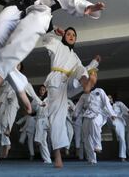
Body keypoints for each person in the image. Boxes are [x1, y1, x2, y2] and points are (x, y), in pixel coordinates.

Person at [42, 27, 98, 168]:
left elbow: (83, 69)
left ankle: (86, 85)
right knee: (56, 117)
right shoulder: (57, 44)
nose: (71, 36)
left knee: (80, 68)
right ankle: (58, 156)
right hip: (56, 82)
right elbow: (45, 38)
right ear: (64, 36)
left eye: (74, 35)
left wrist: (94, 64)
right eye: (68, 34)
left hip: (71, 83)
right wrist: (54, 31)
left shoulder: (75, 56)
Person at [74, 86, 116, 165]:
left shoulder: (99, 91)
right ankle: (92, 159)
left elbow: (106, 102)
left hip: (99, 113)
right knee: (86, 136)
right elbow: (78, 107)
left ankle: (98, 146)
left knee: (94, 123)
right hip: (87, 115)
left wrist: (112, 113)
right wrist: (75, 115)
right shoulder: (83, 96)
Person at [107, 95, 129, 162]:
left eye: (110, 98)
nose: (109, 99)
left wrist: (128, 111)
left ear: (112, 99)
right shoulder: (104, 106)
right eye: (107, 98)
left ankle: (123, 157)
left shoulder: (118, 103)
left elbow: (125, 108)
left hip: (118, 121)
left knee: (122, 139)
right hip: (109, 120)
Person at [33, 85, 52, 164]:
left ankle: (47, 158)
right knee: (43, 141)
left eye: (43, 90)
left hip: (46, 120)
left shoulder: (49, 99)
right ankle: (47, 159)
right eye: (41, 90)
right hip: (39, 119)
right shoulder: (36, 99)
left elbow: (51, 109)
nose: (42, 91)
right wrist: (39, 104)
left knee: (43, 140)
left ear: (46, 91)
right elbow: (32, 109)